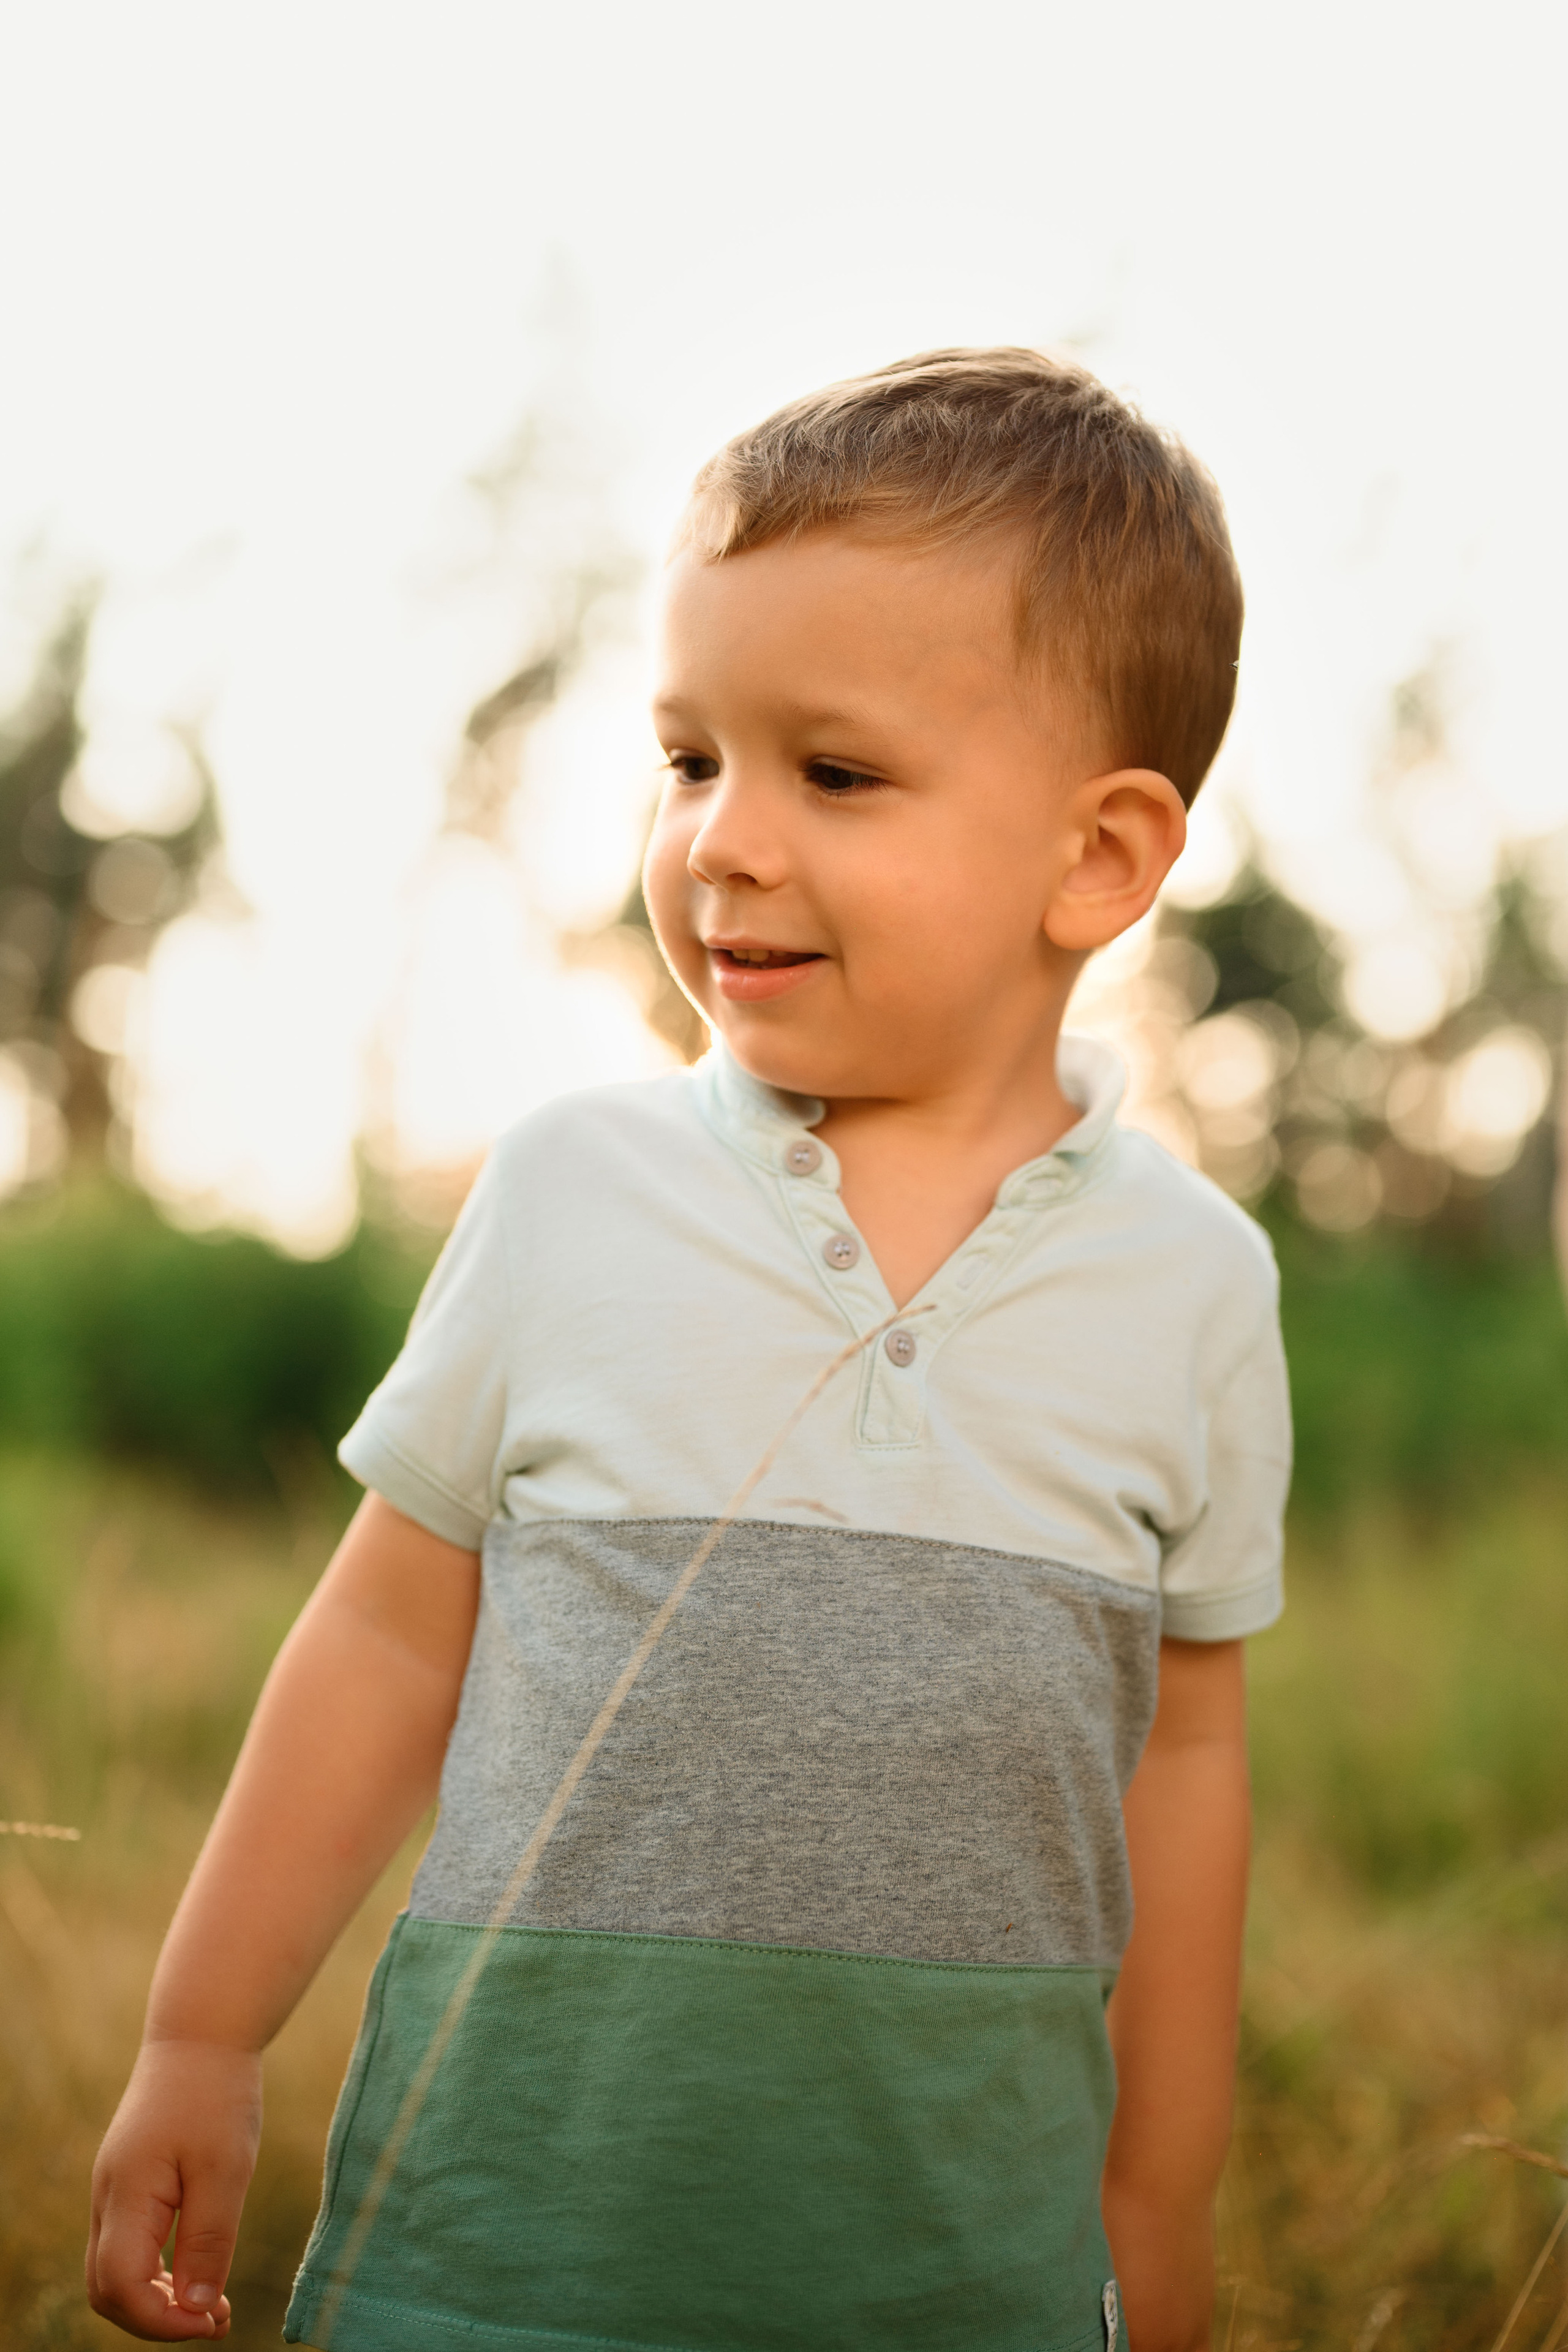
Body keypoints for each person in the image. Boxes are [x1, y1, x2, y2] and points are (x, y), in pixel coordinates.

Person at [87, 348, 1290, 2352]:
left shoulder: (1195, 1287)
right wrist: (202, 2035)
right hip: (495, 2267)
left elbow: (1187, 1760)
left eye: (832, 772)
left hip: (960, 2281)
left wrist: (1153, 2212)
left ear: (1098, 858)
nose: (720, 839)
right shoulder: (570, 1195)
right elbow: (387, 1640)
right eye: (686, 756)